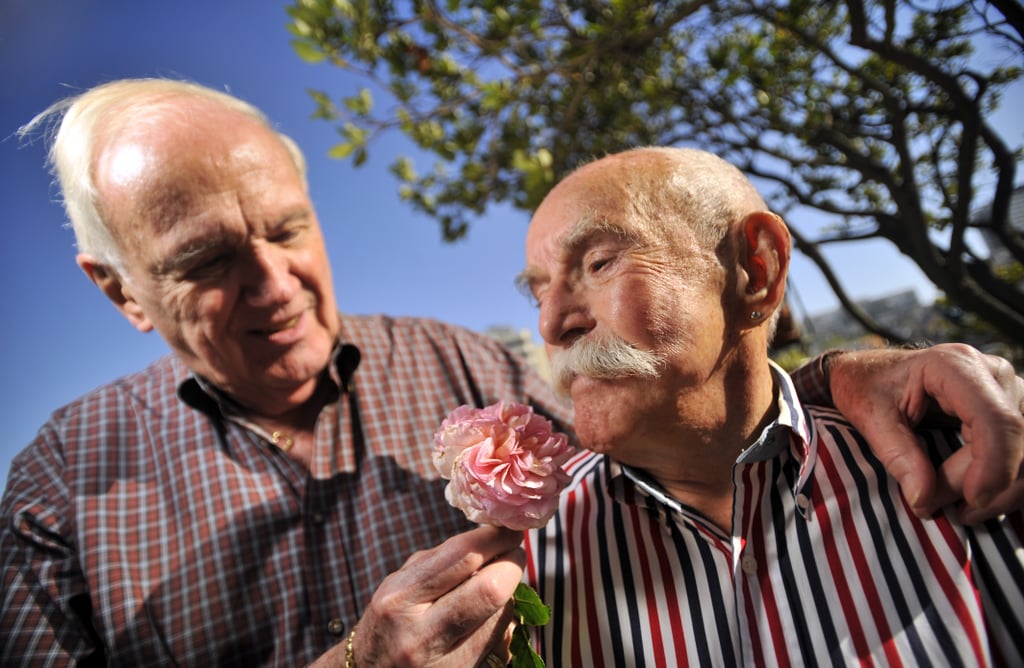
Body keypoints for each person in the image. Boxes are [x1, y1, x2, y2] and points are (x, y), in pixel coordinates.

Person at [0, 79, 1020, 667]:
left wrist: (840, 375)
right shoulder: (55, 484)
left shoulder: (471, 368)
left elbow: (682, 413)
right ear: (121, 292)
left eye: (286, 230)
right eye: (206, 260)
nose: (274, 282)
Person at [518, 146, 1024, 666]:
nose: (552, 324)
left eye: (600, 263)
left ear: (755, 269)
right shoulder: (518, 554)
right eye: (537, 295)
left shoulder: (970, 458)